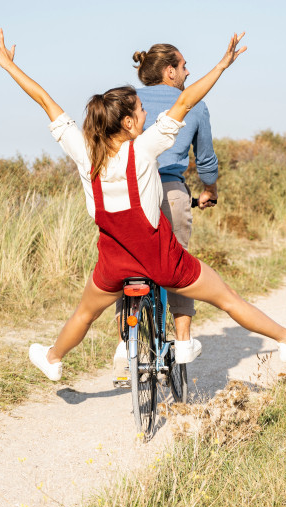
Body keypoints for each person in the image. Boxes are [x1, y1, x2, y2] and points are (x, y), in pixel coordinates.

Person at [0, 29, 286, 382]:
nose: (146, 114)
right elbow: (186, 100)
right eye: (142, 111)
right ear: (129, 123)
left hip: (114, 265)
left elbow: (45, 101)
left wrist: (8, 65)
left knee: (83, 315)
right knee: (228, 299)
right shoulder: (142, 150)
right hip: (163, 261)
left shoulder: (84, 152)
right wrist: (222, 65)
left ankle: (53, 358)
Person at [109, 43, 220, 370]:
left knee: (125, 263)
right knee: (178, 264)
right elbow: (206, 161)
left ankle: (122, 347)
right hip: (170, 190)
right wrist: (209, 190)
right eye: (184, 66)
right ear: (169, 71)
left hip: (127, 190)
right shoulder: (193, 104)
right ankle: (183, 342)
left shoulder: (128, 101)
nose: (188, 72)